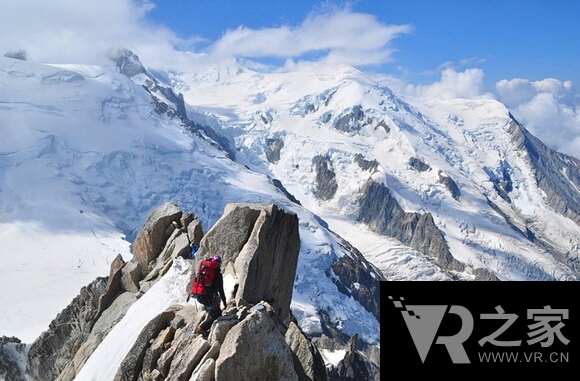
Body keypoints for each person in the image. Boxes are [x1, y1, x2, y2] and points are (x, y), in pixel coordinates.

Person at [196, 255, 227, 337]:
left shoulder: (205, 269)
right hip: (207, 296)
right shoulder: (217, 274)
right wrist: (224, 301)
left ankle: (208, 324)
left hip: (199, 294)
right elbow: (221, 290)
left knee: (214, 310)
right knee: (217, 313)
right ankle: (202, 328)